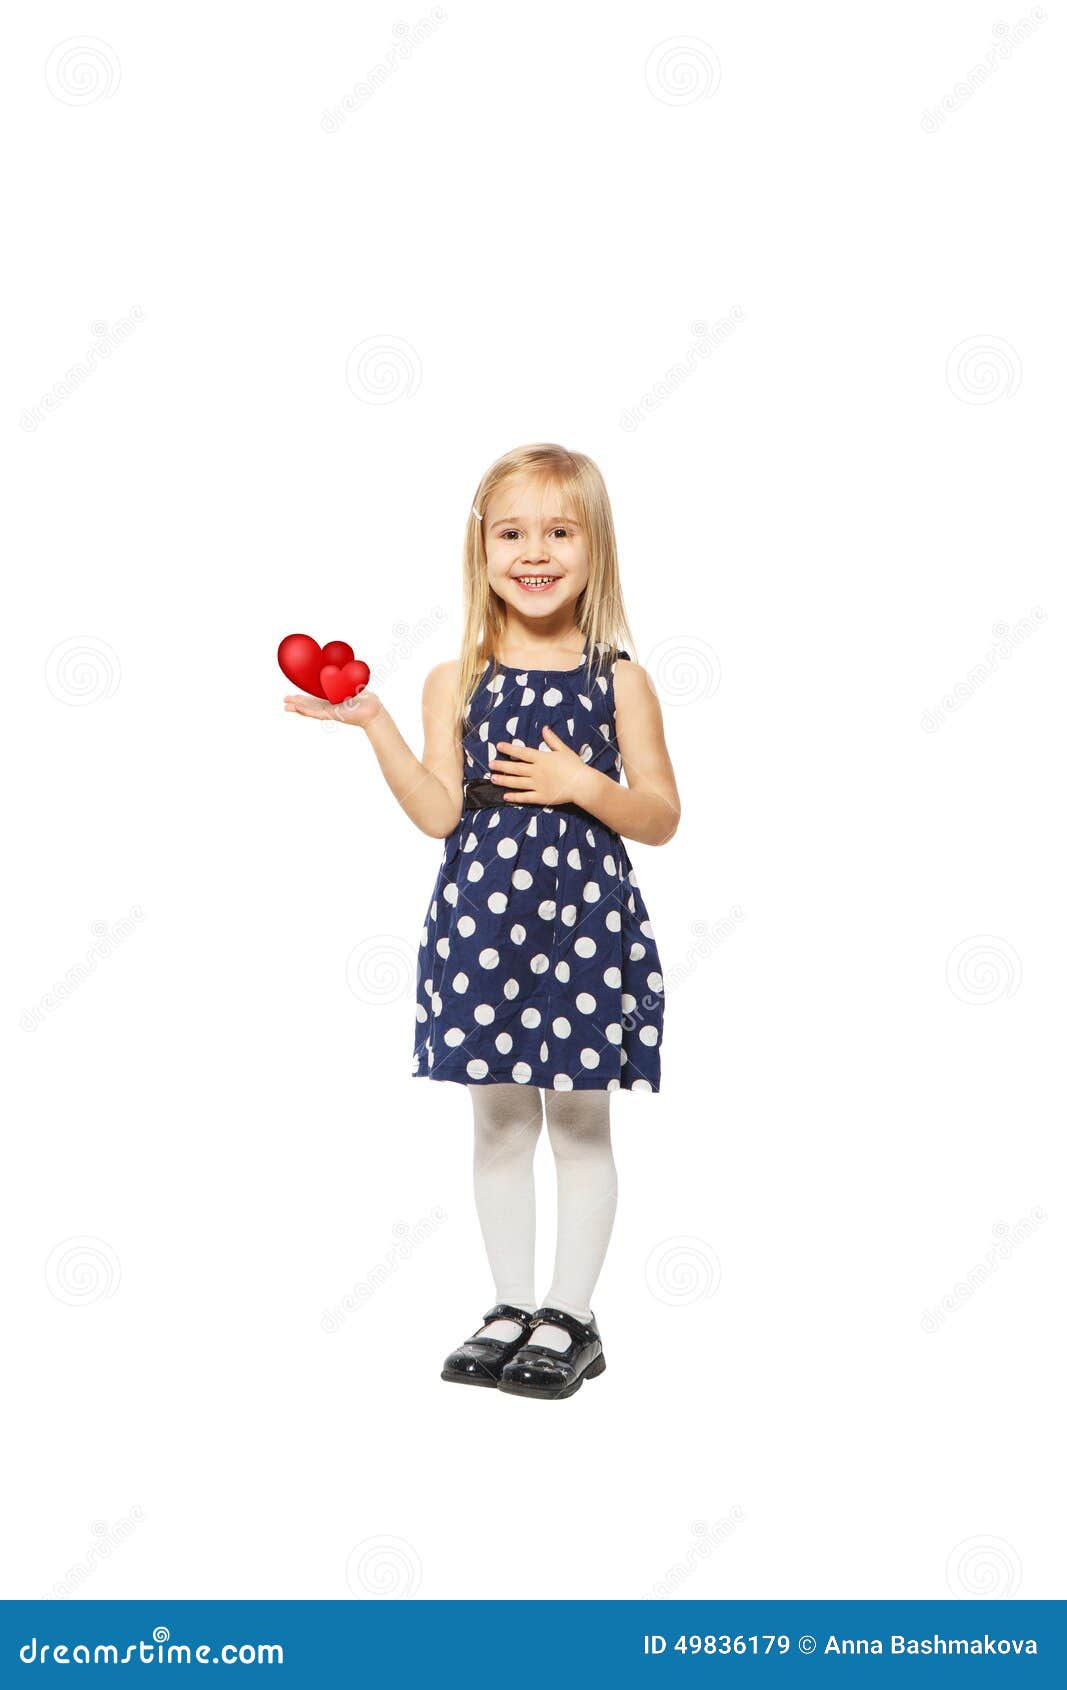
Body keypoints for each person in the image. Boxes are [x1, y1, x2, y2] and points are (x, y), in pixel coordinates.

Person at [284, 443, 680, 1399]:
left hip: (585, 926)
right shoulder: (451, 681)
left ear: (594, 550)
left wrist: (584, 785)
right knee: (500, 1122)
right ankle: (510, 1307)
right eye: (512, 532)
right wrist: (373, 723)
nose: (533, 552)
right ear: (482, 548)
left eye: (557, 532)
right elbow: (438, 815)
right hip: (482, 930)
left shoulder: (615, 677)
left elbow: (662, 816)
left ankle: (571, 1317)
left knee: (579, 1124)